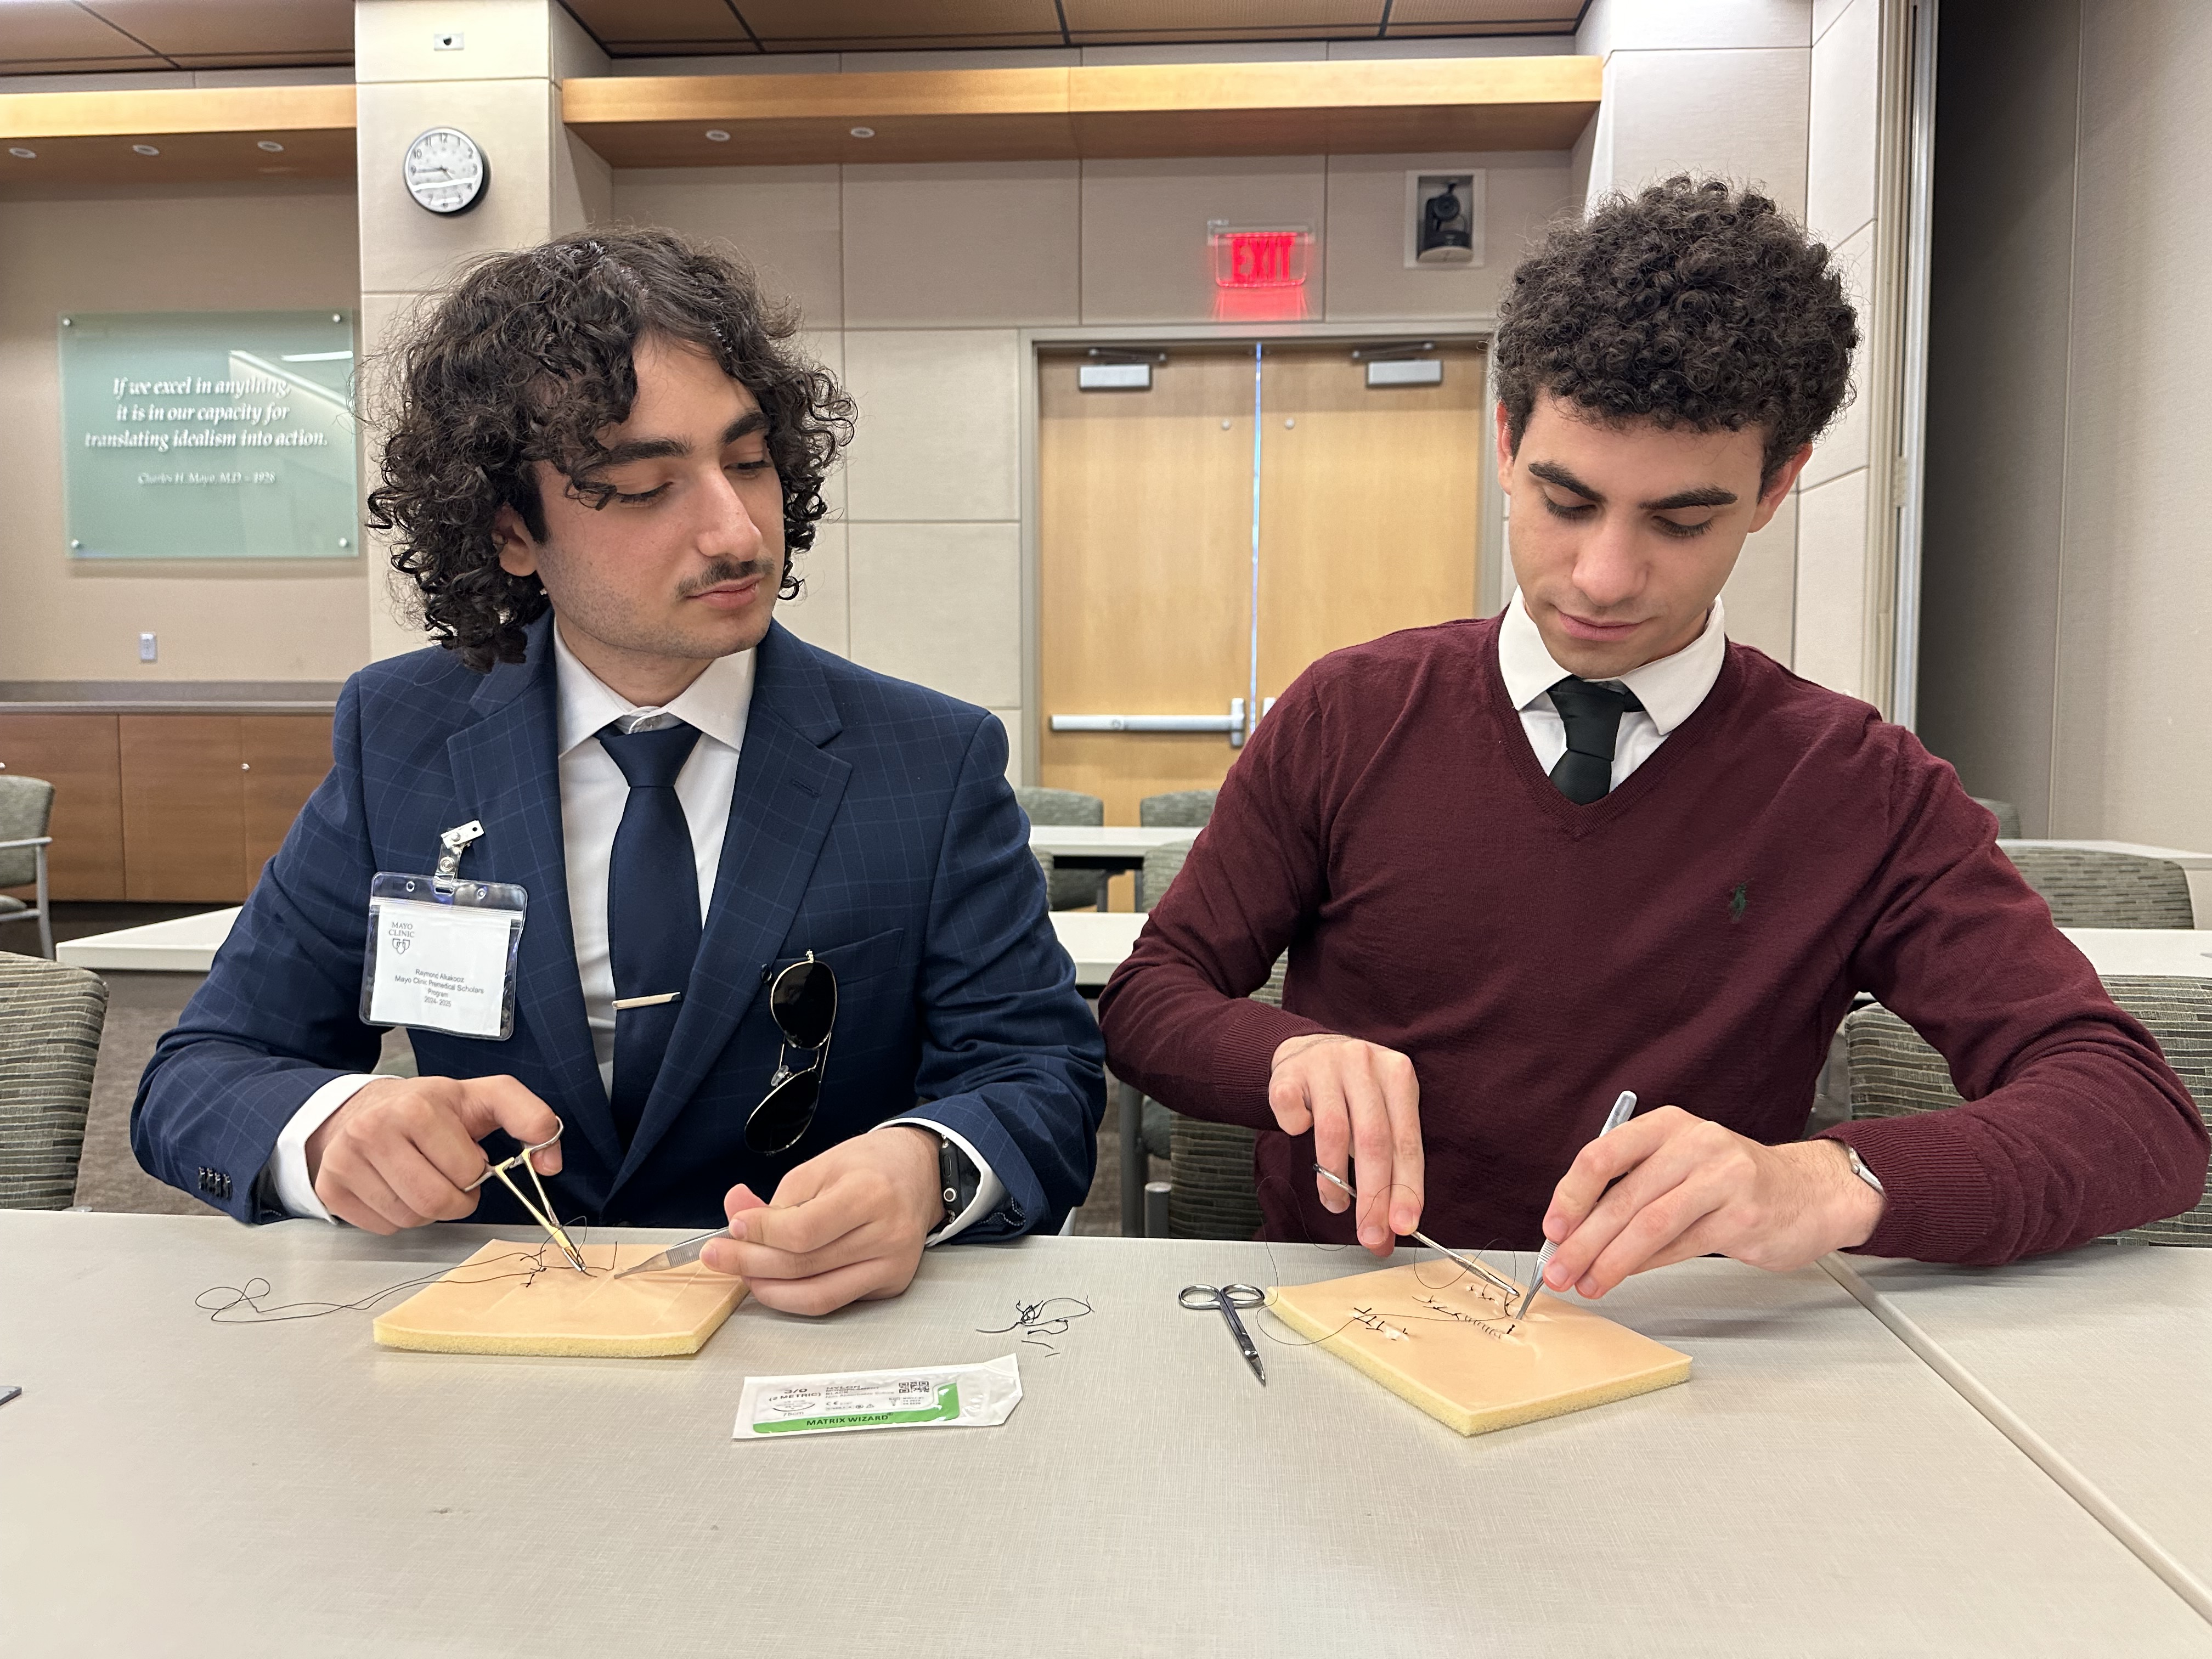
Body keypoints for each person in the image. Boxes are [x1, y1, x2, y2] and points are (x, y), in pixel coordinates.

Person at [1099, 176, 2208, 1299]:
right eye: (1565, 502)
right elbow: (1152, 998)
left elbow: (2133, 1112)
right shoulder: (1350, 714)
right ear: (1504, 439)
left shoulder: (1857, 786)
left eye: (1683, 520)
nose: (1603, 577)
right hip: (1353, 1320)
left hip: (1689, 1348)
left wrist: (1828, 1183)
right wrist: (1286, 1052)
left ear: (1777, 485)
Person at [133, 229, 1103, 1314]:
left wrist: (927, 1169)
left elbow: (1042, 1079)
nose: (737, 532)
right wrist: (327, 1135)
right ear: (511, 530)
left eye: (748, 461)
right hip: (493, 1343)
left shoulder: (925, 758)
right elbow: (203, 1071)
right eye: (646, 488)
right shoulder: (399, 732)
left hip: (803, 1338)